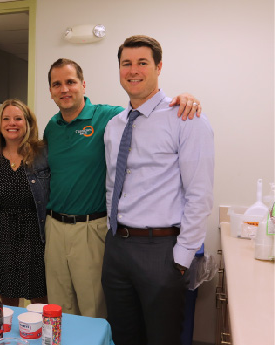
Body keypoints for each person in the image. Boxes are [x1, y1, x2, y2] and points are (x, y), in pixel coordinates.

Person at [43, 58, 201, 317]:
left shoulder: (109, 117)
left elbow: (147, 111)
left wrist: (183, 98)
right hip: (54, 228)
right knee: (58, 308)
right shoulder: (52, 127)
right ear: (50, 91)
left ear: (83, 84)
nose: (64, 89)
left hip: (89, 229)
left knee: (93, 310)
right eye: (56, 84)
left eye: (70, 82)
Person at [102, 35, 214, 345]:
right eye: (126, 63)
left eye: (142, 63)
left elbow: (200, 195)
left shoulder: (186, 119)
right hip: (117, 248)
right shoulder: (114, 124)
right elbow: (112, 184)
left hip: (162, 250)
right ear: (119, 70)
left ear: (159, 67)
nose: (133, 71)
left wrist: (181, 259)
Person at [0, 99, 49, 307]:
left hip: (36, 235)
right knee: (8, 299)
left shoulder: (42, 153)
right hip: (2, 234)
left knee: (40, 299)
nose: (12, 123)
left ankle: (41, 336)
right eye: (6, 118)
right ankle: (9, 338)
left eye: (18, 118)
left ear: (27, 123)